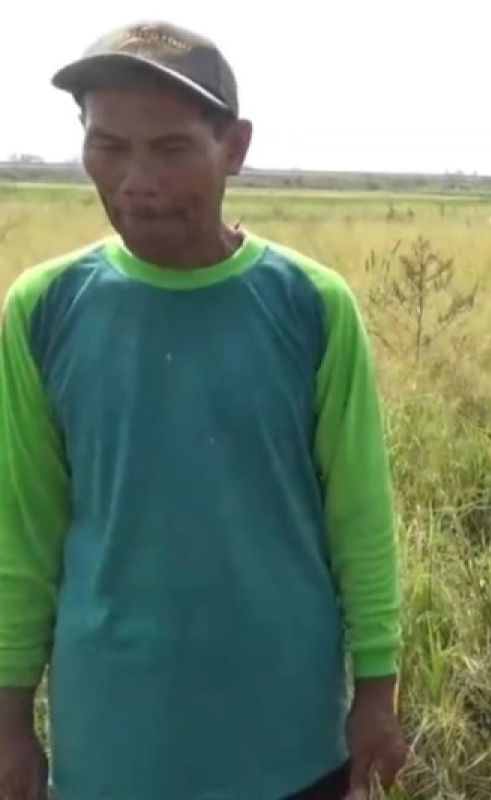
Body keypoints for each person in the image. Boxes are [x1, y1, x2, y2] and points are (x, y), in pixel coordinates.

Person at [0, 20, 408, 800]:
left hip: (287, 744)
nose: (136, 180)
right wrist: (9, 723)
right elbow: (21, 533)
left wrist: (378, 695)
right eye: (109, 146)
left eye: (172, 148)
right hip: (112, 746)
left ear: (236, 147)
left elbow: (360, 515)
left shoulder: (311, 305)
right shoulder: (45, 308)